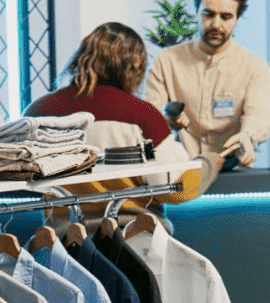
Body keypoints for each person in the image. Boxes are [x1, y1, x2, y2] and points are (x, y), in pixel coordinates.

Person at [25, 22, 221, 225]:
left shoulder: (38, 112)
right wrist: (209, 163)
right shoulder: (142, 115)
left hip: (66, 241)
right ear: (134, 66)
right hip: (133, 239)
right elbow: (177, 188)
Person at [145, 0, 270, 170]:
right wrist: (167, 120)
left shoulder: (254, 67)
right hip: (180, 175)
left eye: (226, 17)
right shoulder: (166, 62)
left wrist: (248, 135)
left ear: (237, 19)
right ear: (196, 12)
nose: (216, 24)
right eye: (208, 14)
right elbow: (149, 119)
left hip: (233, 174)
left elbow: (259, 116)